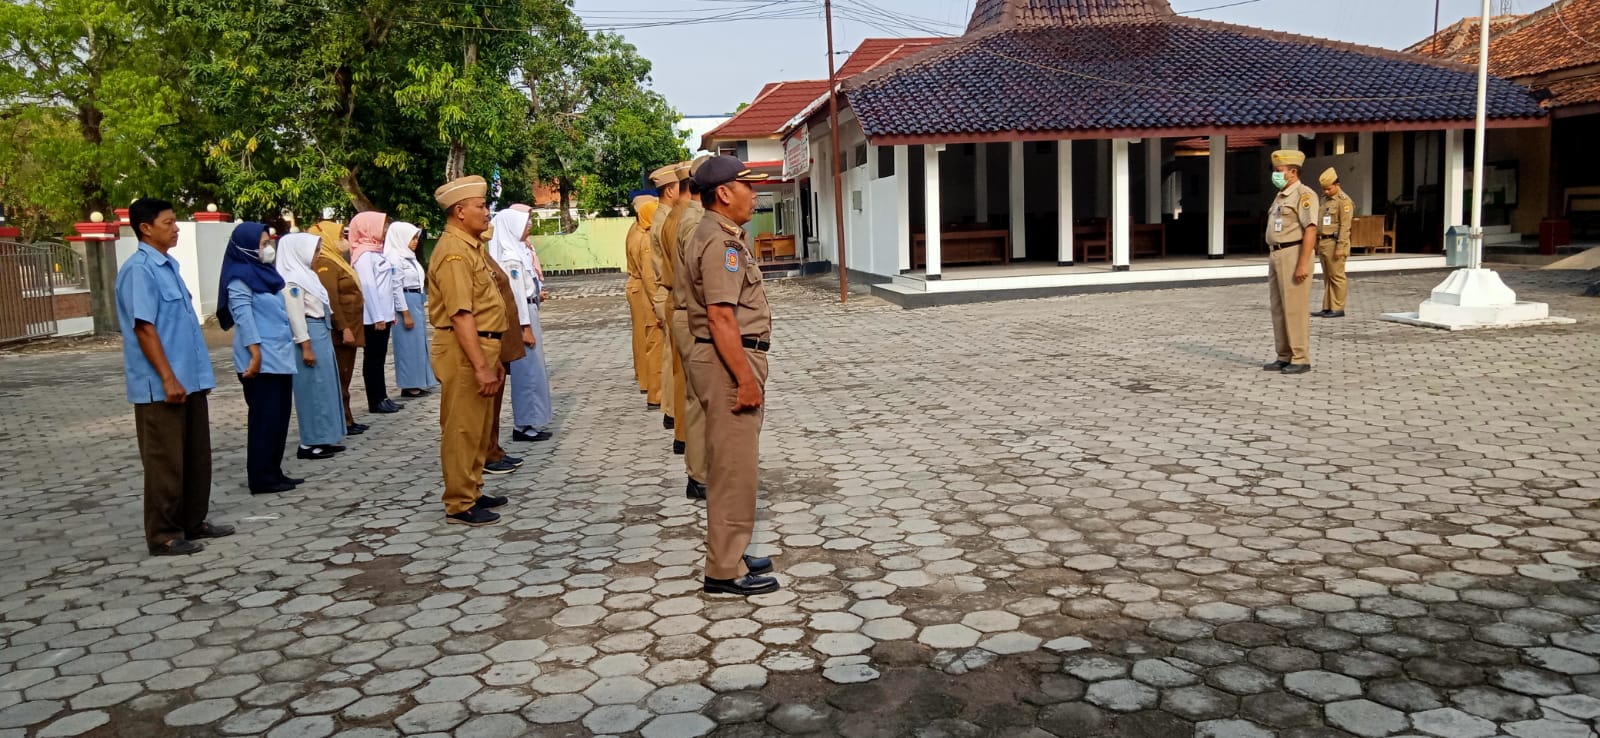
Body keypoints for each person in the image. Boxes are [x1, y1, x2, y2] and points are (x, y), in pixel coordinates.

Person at [684, 156, 778, 596]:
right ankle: (723, 569)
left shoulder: (719, 234)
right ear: (723, 193)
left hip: (727, 358)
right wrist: (744, 379)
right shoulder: (719, 242)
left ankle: (732, 552)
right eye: (747, 187)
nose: (754, 195)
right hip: (729, 362)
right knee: (733, 469)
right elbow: (721, 317)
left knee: (733, 465)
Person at [116, 198, 232, 556]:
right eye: (168, 222)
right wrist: (167, 377)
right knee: (165, 462)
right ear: (146, 228)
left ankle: (193, 520)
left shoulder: (169, 266)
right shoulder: (140, 270)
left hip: (189, 379)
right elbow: (144, 328)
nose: (176, 228)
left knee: (196, 456)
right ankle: (163, 534)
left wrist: (196, 375)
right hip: (161, 386)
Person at [427, 175, 510, 526]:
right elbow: (461, 315)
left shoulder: (470, 247)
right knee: (462, 428)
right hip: (463, 349)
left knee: (478, 426)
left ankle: (472, 488)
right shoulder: (454, 254)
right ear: (460, 212)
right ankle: (459, 502)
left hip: (482, 344)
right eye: (481, 206)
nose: (487, 212)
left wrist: (494, 358)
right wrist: (480, 366)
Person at [218, 222, 302, 494]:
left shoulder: (266, 274)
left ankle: (274, 471)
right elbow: (244, 318)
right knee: (264, 420)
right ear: (246, 247)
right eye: (263, 244)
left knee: (278, 418)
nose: (268, 248)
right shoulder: (239, 278)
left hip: (279, 357)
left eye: (268, 242)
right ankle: (261, 477)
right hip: (260, 360)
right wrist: (255, 354)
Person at [276, 232, 346, 461]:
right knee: (312, 389)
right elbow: (296, 316)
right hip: (309, 334)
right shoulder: (292, 281)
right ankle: (310, 442)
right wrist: (305, 346)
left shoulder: (307, 275)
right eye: (314, 251)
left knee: (325, 386)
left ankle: (325, 436)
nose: (317, 256)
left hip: (320, 331)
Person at [664, 158, 709, 497]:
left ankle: (701, 471)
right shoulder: (695, 222)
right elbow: (702, 280)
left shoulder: (688, 217)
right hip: (695, 315)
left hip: (687, 311)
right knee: (701, 399)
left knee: (698, 396)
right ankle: (701, 474)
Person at [482, 206, 533, 476]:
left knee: (493, 403)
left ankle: (493, 449)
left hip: (496, 336)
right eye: (480, 208)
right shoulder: (466, 255)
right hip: (484, 338)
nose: (486, 216)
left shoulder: (484, 255)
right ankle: (485, 455)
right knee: (481, 407)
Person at [308, 220, 368, 436]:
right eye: (340, 236)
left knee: (345, 375)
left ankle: (347, 418)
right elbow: (331, 300)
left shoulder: (336, 260)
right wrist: (344, 328)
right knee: (340, 376)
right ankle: (344, 420)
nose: (344, 240)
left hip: (350, 326)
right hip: (340, 331)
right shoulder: (325, 264)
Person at [1263, 150, 1319, 375]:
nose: (1275, 175)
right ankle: (1284, 355)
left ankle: (1300, 357)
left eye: (1279, 171)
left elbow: (1311, 230)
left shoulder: (1304, 195)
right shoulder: (1281, 196)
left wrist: (1302, 264)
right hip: (1276, 253)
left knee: (1295, 309)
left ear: (1293, 172)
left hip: (1294, 253)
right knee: (1279, 308)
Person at [502, 204, 555, 443]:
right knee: (527, 372)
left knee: (534, 370)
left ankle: (532, 420)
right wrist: (525, 328)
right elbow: (516, 298)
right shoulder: (511, 259)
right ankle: (524, 424)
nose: (530, 226)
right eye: (526, 222)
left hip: (530, 310)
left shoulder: (521, 251)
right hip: (523, 317)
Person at [350, 211, 405, 414]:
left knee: (380, 358)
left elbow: (386, 286)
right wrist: (378, 317)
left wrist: (390, 313)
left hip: (384, 315)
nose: (385, 230)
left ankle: (383, 396)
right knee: (373, 359)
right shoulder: (364, 255)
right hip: (373, 318)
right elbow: (369, 288)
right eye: (382, 226)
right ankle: (375, 400)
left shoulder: (377, 252)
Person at [648, 163, 684, 427]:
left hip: (666, 291)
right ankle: (673, 413)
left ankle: (672, 411)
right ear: (670, 190)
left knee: (672, 357)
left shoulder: (664, 217)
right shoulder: (666, 220)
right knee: (675, 360)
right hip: (670, 291)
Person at [386, 222, 439, 397]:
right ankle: (409, 384)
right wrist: (405, 313)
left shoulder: (409, 256)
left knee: (418, 343)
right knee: (407, 345)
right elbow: (396, 288)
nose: (415, 241)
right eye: (412, 238)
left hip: (416, 298)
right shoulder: (395, 258)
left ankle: (420, 380)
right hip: (406, 300)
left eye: (416, 238)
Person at [625, 195, 660, 404]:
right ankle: (653, 389)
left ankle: (646, 379)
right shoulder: (645, 238)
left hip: (639, 286)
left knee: (643, 337)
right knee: (652, 339)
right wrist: (658, 304)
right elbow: (649, 275)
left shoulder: (636, 230)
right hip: (644, 289)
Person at [1315, 167, 1354, 319]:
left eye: (1329, 188)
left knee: (1337, 277)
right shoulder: (1324, 199)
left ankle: (1338, 308)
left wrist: (1340, 246)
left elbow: (1345, 226)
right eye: (1324, 189)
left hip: (1335, 242)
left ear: (1337, 185)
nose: (1326, 191)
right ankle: (1327, 306)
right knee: (1328, 277)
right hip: (1324, 242)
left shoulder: (1344, 201)